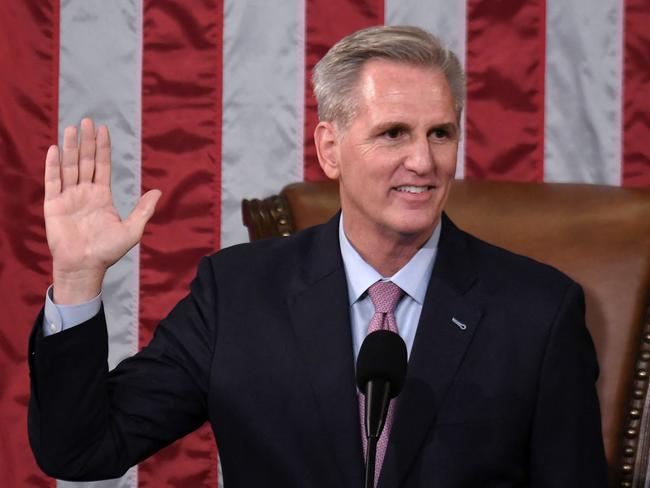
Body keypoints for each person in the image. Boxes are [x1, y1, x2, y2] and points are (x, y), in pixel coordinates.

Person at [29, 25, 607, 487]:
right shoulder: (237, 296)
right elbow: (82, 449)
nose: (424, 162)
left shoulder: (537, 312)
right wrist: (78, 280)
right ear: (330, 149)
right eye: (393, 134)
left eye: (440, 133)